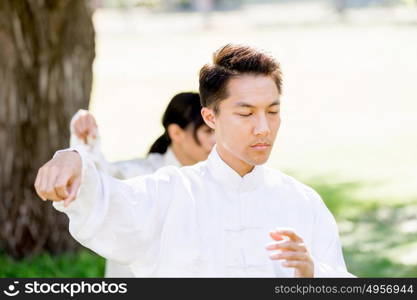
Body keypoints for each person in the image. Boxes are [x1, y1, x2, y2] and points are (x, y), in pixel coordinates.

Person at [35, 44, 353, 277]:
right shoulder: (170, 192)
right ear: (210, 117)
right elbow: (110, 203)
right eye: (246, 113)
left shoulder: (303, 202)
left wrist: (313, 274)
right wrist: (74, 158)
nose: (263, 128)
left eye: (272, 111)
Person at [69, 92, 215, 277]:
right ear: (176, 133)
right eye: (208, 131)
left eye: (217, 130)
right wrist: (86, 145)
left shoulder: (215, 179)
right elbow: (100, 181)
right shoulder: (143, 174)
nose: (216, 140)